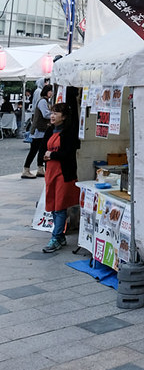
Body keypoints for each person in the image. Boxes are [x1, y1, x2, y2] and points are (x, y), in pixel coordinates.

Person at [41, 103, 80, 253]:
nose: (52, 116)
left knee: (60, 207)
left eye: (56, 113)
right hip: (50, 172)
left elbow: (67, 153)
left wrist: (52, 154)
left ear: (63, 117)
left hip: (64, 174)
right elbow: (42, 149)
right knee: (53, 205)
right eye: (52, 113)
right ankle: (60, 236)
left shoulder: (69, 132)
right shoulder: (50, 130)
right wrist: (45, 156)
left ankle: (56, 237)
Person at [22, 84, 53, 178]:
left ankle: (40, 169)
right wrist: (55, 114)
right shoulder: (43, 101)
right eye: (51, 91)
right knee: (34, 150)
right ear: (47, 91)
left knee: (41, 150)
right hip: (38, 130)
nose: (52, 93)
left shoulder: (45, 101)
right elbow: (45, 114)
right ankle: (26, 170)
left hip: (41, 129)